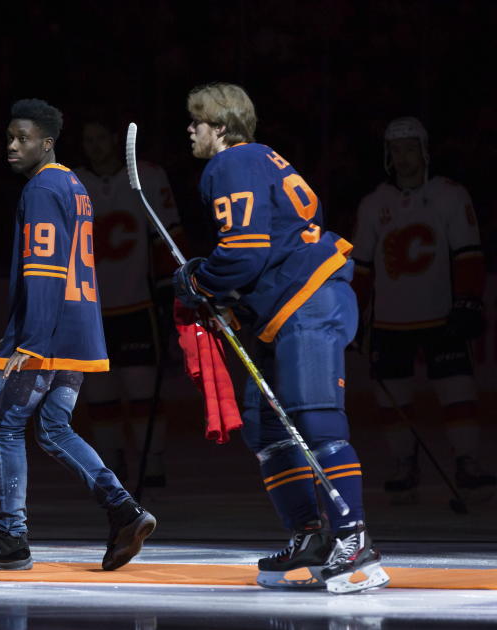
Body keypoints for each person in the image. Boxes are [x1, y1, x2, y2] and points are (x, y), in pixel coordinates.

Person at [172, 82, 388, 594]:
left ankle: (352, 537)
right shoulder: (262, 158)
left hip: (306, 302)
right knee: (267, 430)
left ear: (220, 128)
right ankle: (311, 538)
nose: (190, 129)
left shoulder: (230, 165)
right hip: (287, 308)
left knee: (315, 419)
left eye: (196, 121)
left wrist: (198, 278)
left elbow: (244, 252)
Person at [0, 99, 156, 572]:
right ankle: (124, 509)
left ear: (47, 143)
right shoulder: (75, 183)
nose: (12, 145)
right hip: (77, 330)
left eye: (22, 138)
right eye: (9, 136)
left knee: (4, 426)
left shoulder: (42, 188)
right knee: (52, 428)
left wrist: (28, 343)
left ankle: (12, 538)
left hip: (46, 336)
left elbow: (44, 269)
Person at [352, 116, 495, 503]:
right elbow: (361, 268)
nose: (403, 156)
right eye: (396, 149)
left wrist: (468, 299)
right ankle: (404, 462)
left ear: (425, 151)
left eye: (410, 148)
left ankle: (466, 460)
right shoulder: (373, 204)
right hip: (389, 321)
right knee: (392, 398)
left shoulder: (450, 195)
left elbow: (468, 253)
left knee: (457, 389)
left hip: (440, 314)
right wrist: (352, 314)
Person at [75, 115, 183, 488]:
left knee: (141, 390)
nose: (95, 146)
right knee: (99, 393)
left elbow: (166, 236)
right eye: (88, 139)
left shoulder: (147, 177)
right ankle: (110, 464)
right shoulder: (73, 182)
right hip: (90, 309)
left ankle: (152, 463)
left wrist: (170, 287)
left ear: (116, 138)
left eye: (100, 137)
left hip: (138, 305)